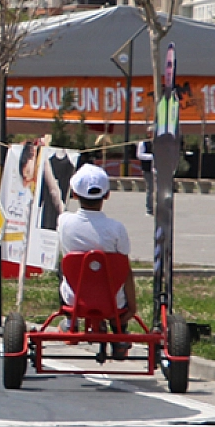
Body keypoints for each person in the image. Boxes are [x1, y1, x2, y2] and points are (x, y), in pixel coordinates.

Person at [56, 165, 136, 358]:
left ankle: (70, 322)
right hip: (113, 303)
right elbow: (125, 270)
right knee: (115, 267)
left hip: (75, 300)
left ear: (74, 194)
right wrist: (132, 306)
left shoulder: (64, 222)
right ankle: (119, 332)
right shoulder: (116, 228)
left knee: (64, 264)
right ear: (106, 195)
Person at [136, 137, 154, 215]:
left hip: (159, 169)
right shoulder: (143, 143)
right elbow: (139, 155)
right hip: (148, 169)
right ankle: (149, 209)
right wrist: (152, 157)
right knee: (150, 189)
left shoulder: (159, 143)